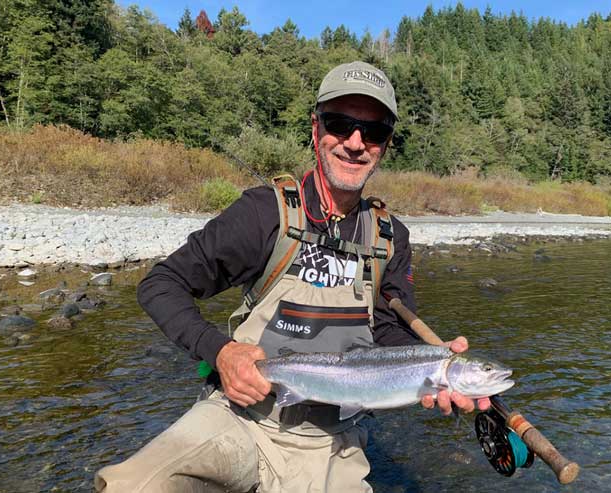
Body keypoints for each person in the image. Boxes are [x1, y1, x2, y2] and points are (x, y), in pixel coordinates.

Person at [95, 61, 489, 492]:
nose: (356, 143)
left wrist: (428, 364)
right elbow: (160, 284)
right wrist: (221, 351)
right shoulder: (265, 213)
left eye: (373, 132)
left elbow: (390, 332)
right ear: (316, 127)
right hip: (240, 416)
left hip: (333, 443)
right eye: (340, 124)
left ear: (386, 145)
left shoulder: (390, 237)